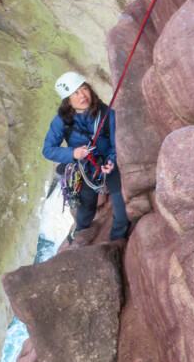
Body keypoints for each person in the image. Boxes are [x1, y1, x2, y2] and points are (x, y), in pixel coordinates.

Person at [42, 70, 129, 242]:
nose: (82, 95)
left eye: (84, 89)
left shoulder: (107, 115)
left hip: (106, 165)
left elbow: (115, 145)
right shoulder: (61, 120)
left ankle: (116, 243)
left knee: (121, 211)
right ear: (68, 100)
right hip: (83, 168)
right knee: (85, 208)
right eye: (75, 92)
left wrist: (111, 162)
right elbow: (48, 149)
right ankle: (81, 233)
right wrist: (73, 153)